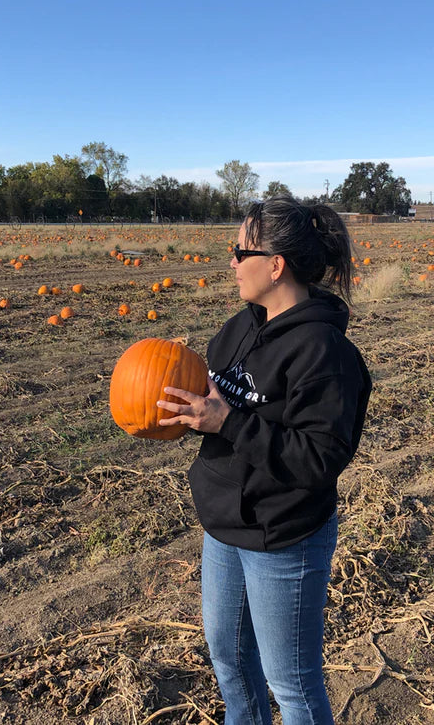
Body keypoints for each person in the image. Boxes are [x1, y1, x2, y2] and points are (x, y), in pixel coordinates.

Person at [156, 196, 372, 725]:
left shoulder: (326, 354)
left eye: (239, 250)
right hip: (224, 527)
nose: (230, 261)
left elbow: (317, 459)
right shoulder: (239, 327)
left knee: (291, 685)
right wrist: (183, 405)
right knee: (229, 662)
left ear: (275, 265)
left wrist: (226, 422)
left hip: (283, 538)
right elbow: (221, 402)